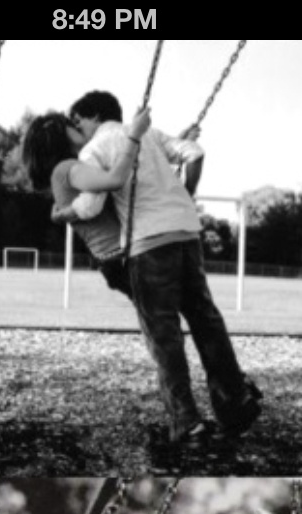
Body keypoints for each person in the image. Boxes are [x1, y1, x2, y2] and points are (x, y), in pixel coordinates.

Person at [62, 90, 262, 447]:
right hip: (186, 232)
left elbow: (91, 207)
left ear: (92, 116)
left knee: (164, 336)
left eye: (78, 122)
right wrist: (187, 192)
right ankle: (234, 404)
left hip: (148, 243)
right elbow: (195, 153)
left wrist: (66, 210)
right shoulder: (150, 135)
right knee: (205, 320)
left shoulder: (95, 150)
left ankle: (188, 424)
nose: (78, 130)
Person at [22, 105, 151, 297]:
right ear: (59, 134)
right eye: (71, 124)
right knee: (158, 312)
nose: (78, 126)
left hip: (112, 259)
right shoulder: (67, 168)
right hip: (119, 256)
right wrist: (133, 136)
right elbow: (115, 180)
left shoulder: (64, 172)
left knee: (154, 310)